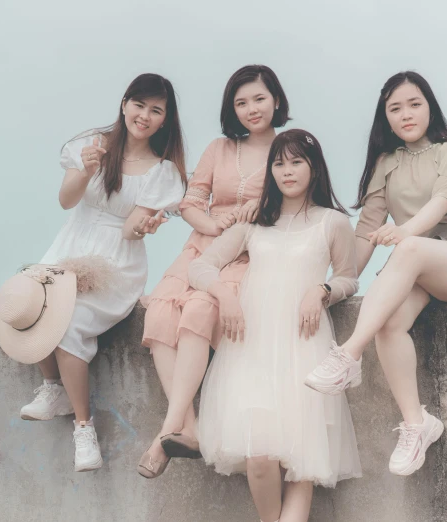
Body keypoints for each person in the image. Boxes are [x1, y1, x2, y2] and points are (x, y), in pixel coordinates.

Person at [305, 71, 447, 477]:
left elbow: (440, 204)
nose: (406, 114)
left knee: (410, 250)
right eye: (395, 108)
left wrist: (404, 232)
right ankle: (417, 424)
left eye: (414, 103)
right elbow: (366, 231)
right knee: (387, 322)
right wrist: (337, 282)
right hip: (413, 265)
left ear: (430, 105)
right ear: (386, 118)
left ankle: (347, 355)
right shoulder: (386, 163)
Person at [189, 129, 362, 522]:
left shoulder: (332, 222)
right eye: (279, 163)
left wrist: (321, 290)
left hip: (305, 349)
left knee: (305, 464)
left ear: (314, 168)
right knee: (261, 459)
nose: (287, 171)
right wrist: (225, 294)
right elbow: (201, 266)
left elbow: (349, 278)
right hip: (251, 351)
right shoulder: (255, 223)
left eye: (296, 161)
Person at [17, 73, 186, 472]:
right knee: (30, 300)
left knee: (71, 320)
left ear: (165, 120)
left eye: (155, 110)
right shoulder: (92, 144)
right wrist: (84, 169)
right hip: (71, 244)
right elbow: (66, 201)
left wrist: (143, 225)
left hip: (116, 260)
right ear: (125, 104)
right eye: (139, 105)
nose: (144, 115)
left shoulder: (162, 171)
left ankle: (83, 426)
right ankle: (53, 387)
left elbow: (130, 229)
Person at [138, 65, 290, 478]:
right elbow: (192, 200)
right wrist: (210, 225)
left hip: (250, 254)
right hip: (202, 246)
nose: (251, 109)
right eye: (241, 102)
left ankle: (166, 433)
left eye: (259, 98)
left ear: (276, 99)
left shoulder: (289, 147)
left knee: (201, 310)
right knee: (161, 313)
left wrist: (258, 213)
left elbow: (298, 203)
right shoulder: (219, 148)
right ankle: (188, 427)